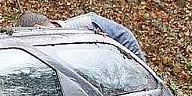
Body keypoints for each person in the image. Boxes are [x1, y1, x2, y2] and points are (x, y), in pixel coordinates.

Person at [16, 11, 145, 60]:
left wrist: (138, 67)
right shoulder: (55, 42)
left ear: (37, 28)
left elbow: (125, 36)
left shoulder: (87, 23)